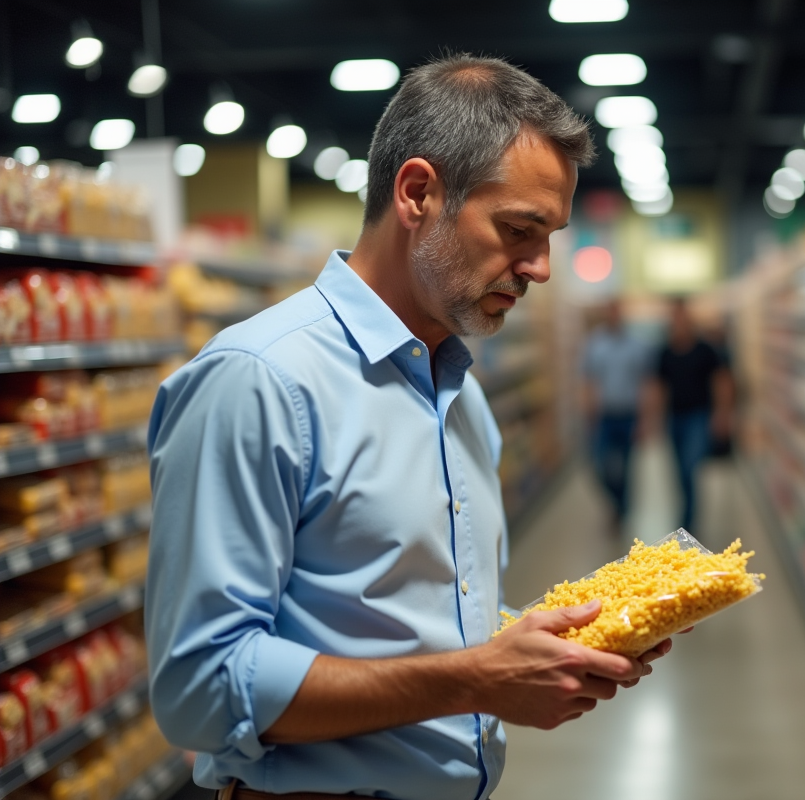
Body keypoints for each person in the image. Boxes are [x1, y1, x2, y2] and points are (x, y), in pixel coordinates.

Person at [145, 55, 679, 800]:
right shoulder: (259, 381)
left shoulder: (460, 391)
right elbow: (198, 689)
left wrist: (548, 651)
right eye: (519, 230)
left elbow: (421, 621)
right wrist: (476, 680)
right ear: (418, 193)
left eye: (549, 235)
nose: (542, 268)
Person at [652, 298, 734, 532]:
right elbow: (658, 387)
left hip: (698, 417)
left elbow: (722, 381)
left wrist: (722, 414)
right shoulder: (665, 352)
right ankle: (686, 513)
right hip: (674, 418)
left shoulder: (705, 350)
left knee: (690, 466)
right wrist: (654, 419)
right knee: (679, 470)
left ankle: (688, 521)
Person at [581, 298, 649, 532]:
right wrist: (589, 411)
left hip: (629, 415)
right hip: (604, 416)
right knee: (600, 465)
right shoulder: (595, 344)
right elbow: (588, 380)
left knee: (626, 468)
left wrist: (644, 419)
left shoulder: (636, 345)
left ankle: (622, 510)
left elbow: (644, 383)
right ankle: (617, 504)